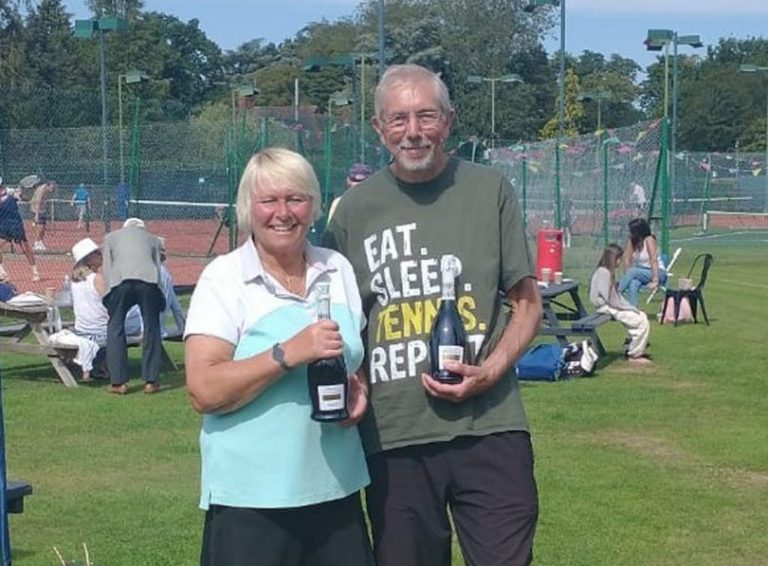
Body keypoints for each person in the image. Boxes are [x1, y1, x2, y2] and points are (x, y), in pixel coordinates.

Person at [323, 64, 542, 566]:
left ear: (448, 121)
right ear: (378, 128)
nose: (414, 131)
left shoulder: (490, 190)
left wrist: (489, 372)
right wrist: (352, 378)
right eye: (398, 119)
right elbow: (339, 317)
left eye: (426, 116)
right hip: (394, 433)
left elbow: (527, 302)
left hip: (490, 427)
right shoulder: (354, 211)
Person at [184, 147, 373, 566]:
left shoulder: (336, 267)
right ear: (248, 208)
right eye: (268, 200)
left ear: (314, 205)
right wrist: (287, 353)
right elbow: (203, 390)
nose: (283, 212)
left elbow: (355, 363)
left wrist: (359, 390)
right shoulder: (225, 278)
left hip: (335, 491)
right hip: (252, 501)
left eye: (296, 198)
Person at [101, 217, 165, 394]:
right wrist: (159, 296)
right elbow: (157, 268)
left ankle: (118, 383)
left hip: (120, 280)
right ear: (142, 229)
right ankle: (151, 382)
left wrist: (108, 295)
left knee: (115, 327)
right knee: (152, 327)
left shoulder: (111, 237)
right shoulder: (152, 239)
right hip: (148, 281)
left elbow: (107, 267)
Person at [69, 237, 143, 380]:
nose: (101, 255)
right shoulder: (97, 279)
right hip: (100, 331)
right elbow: (114, 305)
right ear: (88, 260)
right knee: (138, 315)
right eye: (97, 253)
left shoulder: (74, 282)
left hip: (82, 330)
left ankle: (103, 364)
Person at [589, 243, 651, 364]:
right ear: (613, 259)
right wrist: (627, 308)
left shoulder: (608, 272)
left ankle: (632, 348)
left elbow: (617, 297)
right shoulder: (603, 272)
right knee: (640, 321)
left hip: (611, 306)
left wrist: (630, 307)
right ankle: (634, 354)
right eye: (619, 259)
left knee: (642, 316)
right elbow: (610, 300)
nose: (620, 262)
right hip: (607, 308)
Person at [619, 217, 667, 307]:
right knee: (633, 283)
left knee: (633, 271)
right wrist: (627, 275)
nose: (630, 233)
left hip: (657, 273)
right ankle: (633, 309)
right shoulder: (633, 241)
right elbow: (626, 259)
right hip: (641, 273)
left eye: (632, 231)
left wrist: (655, 280)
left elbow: (653, 260)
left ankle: (615, 295)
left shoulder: (649, 240)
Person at [0, 183, 40, 282]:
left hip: (16, 224)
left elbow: (27, 199)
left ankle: (35, 272)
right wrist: (7, 196)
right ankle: (2, 273)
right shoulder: (8, 194)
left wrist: (20, 193)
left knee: (25, 248)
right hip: (3, 225)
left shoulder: (11, 191)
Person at [157, 237, 185, 338]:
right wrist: (183, 327)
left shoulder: (158, 272)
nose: (164, 253)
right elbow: (176, 307)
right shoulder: (164, 273)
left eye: (164, 250)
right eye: (161, 250)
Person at [29, 180, 57, 251]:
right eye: (52, 187)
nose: (53, 189)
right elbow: (38, 202)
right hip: (37, 210)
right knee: (40, 227)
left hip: (43, 209)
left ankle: (40, 242)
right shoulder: (42, 190)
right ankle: (36, 243)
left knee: (43, 227)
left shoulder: (47, 191)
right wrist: (36, 214)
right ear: (48, 185)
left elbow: (45, 202)